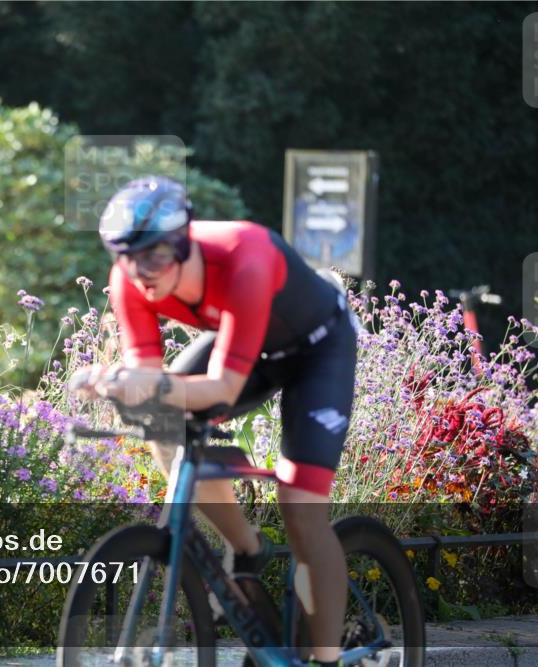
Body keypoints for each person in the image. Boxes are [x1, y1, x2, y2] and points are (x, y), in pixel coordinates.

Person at [73, 176, 360, 666]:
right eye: (126, 256)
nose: (141, 272)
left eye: (154, 256)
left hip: (318, 349)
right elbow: (149, 380)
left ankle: (326, 658)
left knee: (301, 510)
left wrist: (147, 385)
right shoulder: (130, 280)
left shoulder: (245, 257)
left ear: (184, 242)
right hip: (251, 343)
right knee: (163, 422)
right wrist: (119, 384)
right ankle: (247, 549)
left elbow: (223, 388)